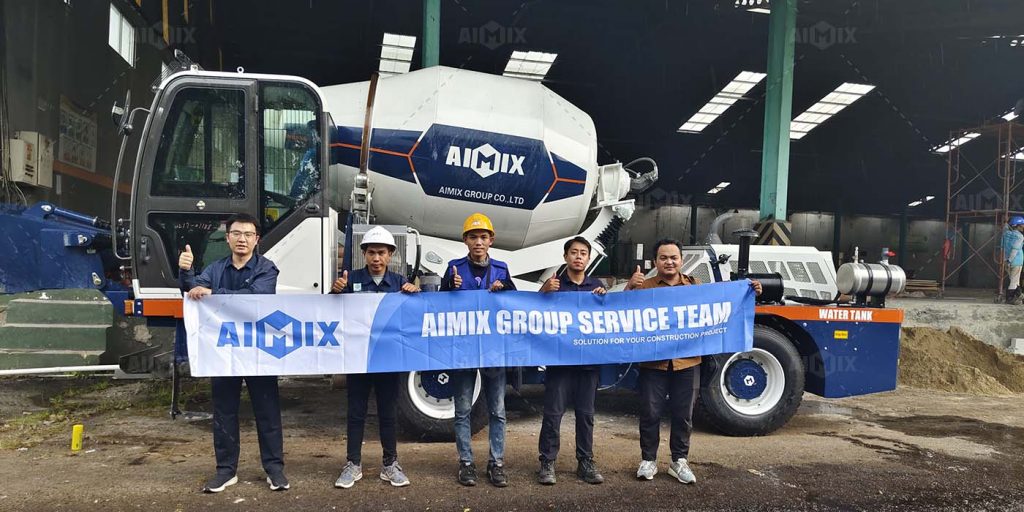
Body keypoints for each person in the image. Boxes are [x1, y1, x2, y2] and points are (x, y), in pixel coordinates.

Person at [625, 238, 761, 485]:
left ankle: (679, 461)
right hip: (653, 364)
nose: (669, 262)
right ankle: (648, 460)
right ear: (655, 262)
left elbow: (723, 302)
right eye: (663, 258)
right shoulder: (644, 288)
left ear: (681, 260)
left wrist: (749, 291)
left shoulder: (696, 286)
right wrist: (629, 288)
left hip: (687, 363)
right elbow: (621, 313)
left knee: (683, 414)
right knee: (650, 413)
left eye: (673, 257)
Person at [178, 213, 287, 493]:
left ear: (256, 240)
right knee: (224, 412)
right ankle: (225, 471)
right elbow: (193, 291)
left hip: (259, 352)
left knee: (268, 412)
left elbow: (256, 297)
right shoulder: (214, 268)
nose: (242, 239)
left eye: (248, 234)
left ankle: (274, 470)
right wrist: (186, 272)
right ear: (227, 238)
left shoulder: (267, 268)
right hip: (223, 353)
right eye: (236, 233)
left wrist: (213, 293)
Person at [331, 226, 420, 489]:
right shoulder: (350, 280)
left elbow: (413, 316)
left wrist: (415, 294)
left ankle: (390, 464)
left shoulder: (399, 282)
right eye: (371, 252)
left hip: (388, 359)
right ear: (364, 254)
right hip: (358, 358)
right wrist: (335, 292)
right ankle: (353, 464)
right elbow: (329, 312)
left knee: (388, 412)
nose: (377, 258)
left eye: (382, 253)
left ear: (391, 255)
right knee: (356, 412)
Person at [440, 212, 516, 487]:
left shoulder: (501, 269)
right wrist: (450, 286)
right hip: (464, 350)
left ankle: (496, 463)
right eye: (473, 237)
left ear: (491, 240)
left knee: (497, 411)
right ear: (465, 240)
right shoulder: (454, 268)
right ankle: (466, 463)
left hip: (494, 350)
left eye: (483, 237)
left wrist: (504, 288)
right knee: (462, 410)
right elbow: (438, 306)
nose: (479, 242)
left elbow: (516, 304)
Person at [536, 236, 607, 486]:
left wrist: (604, 299)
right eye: (574, 252)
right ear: (565, 256)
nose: (578, 257)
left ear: (588, 258)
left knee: (586, 415)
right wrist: (543, 293)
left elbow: (609, 318)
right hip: (560, 362)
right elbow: (531, 312)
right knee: (553, 414)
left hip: (588, 363)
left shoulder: (596, 286)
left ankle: (585, 461)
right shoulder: (554, 284)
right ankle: (547, 462)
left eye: (583, 253)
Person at [1002, 216, 1024, 304]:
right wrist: (1010, 260)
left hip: (1006, 260)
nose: (1023, 226)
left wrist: (1006, 222)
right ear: (1018, 226)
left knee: (1014, 279)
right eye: (1022, 225)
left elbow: (1005, 227)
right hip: (1016, 261)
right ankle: (1010, 298)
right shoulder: (1020, 236)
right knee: (1014, 281)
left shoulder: (1006, 233)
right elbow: (1014, 250)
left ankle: (1019, 295)